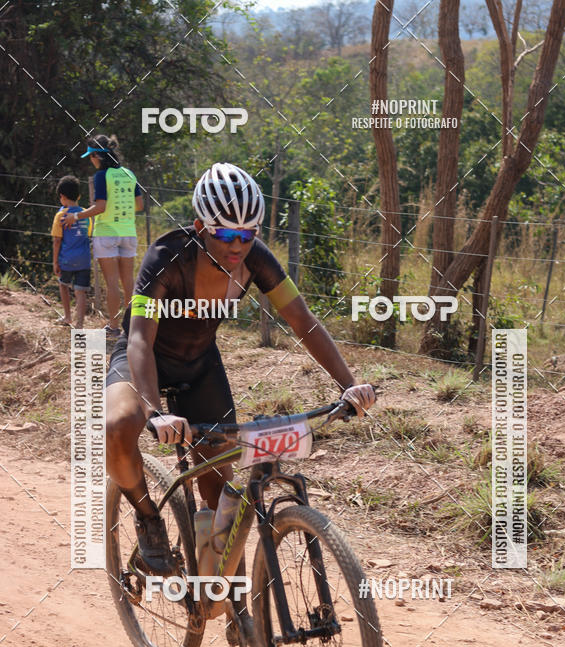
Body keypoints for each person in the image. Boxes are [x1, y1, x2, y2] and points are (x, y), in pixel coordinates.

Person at [106, 162, 376, 576]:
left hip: (198, 365)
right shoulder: (166, 257)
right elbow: (140, 338)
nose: (238, 245)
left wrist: (350, 385)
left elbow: (303, 321)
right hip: (143, 361)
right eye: (227, 234)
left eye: (248, 234)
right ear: (200, 226)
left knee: (219, 496)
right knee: (117, 427)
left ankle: (229, 597)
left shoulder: (257, 261)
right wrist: (154, 409)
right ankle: (148, 519)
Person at [62, 134, 143, 336]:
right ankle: (133, 327)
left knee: (112, 283)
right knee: (129, 281)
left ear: (97, 156)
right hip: (128, 233)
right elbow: (140, 205)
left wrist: (76, 216)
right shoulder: (129, 174)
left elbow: (100, 206)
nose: (91, 161)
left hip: (106, 234)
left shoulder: (101, 176)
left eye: (91, 157)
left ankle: (114, 327)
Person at [51, 175, 91, 328]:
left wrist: (55, 262)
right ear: (78, 195)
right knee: (80, 292)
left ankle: (67, 317)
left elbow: (57, 241)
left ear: (62, 196)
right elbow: (88, 234)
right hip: (84, 260)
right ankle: (79, 324)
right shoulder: (86, 214)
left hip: (66, 260)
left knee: (63, 285)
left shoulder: (60, 215)